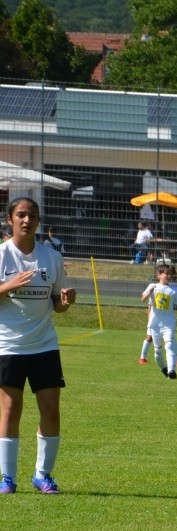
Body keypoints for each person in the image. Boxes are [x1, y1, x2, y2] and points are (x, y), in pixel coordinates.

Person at [0, 197, 75, 494]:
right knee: (10, 409)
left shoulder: (51, 257)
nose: (27, 220)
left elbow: (58, 304)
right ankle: (7, 478)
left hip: (44, 344)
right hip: (9, 345)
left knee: (51, 410)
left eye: (32, 215)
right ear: (10, 219)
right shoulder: (2, 255)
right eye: (21, 215)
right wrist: (9, 286)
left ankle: (43, 475)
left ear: (39, 221)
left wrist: (66, 301)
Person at [139, 262, 177, 380]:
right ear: (159, 275)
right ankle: (164, 369)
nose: (169, 276)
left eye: (170, 274)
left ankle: (172, 371)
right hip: (155, 324)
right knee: (158, 351)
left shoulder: (174, 290)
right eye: (166, 274)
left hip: (168, 323)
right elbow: (143, 299)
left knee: (169, 345)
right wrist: (150, 291)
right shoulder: (152, 286)